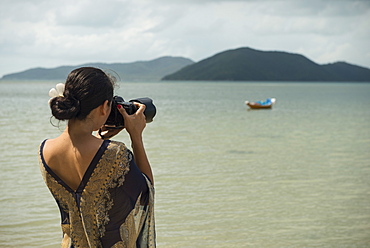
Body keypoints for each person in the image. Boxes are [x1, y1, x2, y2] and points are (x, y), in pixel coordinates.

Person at [38, 67, 155, 247]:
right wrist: (136, 137)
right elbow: (145, 191)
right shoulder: (115, 154)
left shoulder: (45, 150)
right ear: (104, 107)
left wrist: (99, 139)